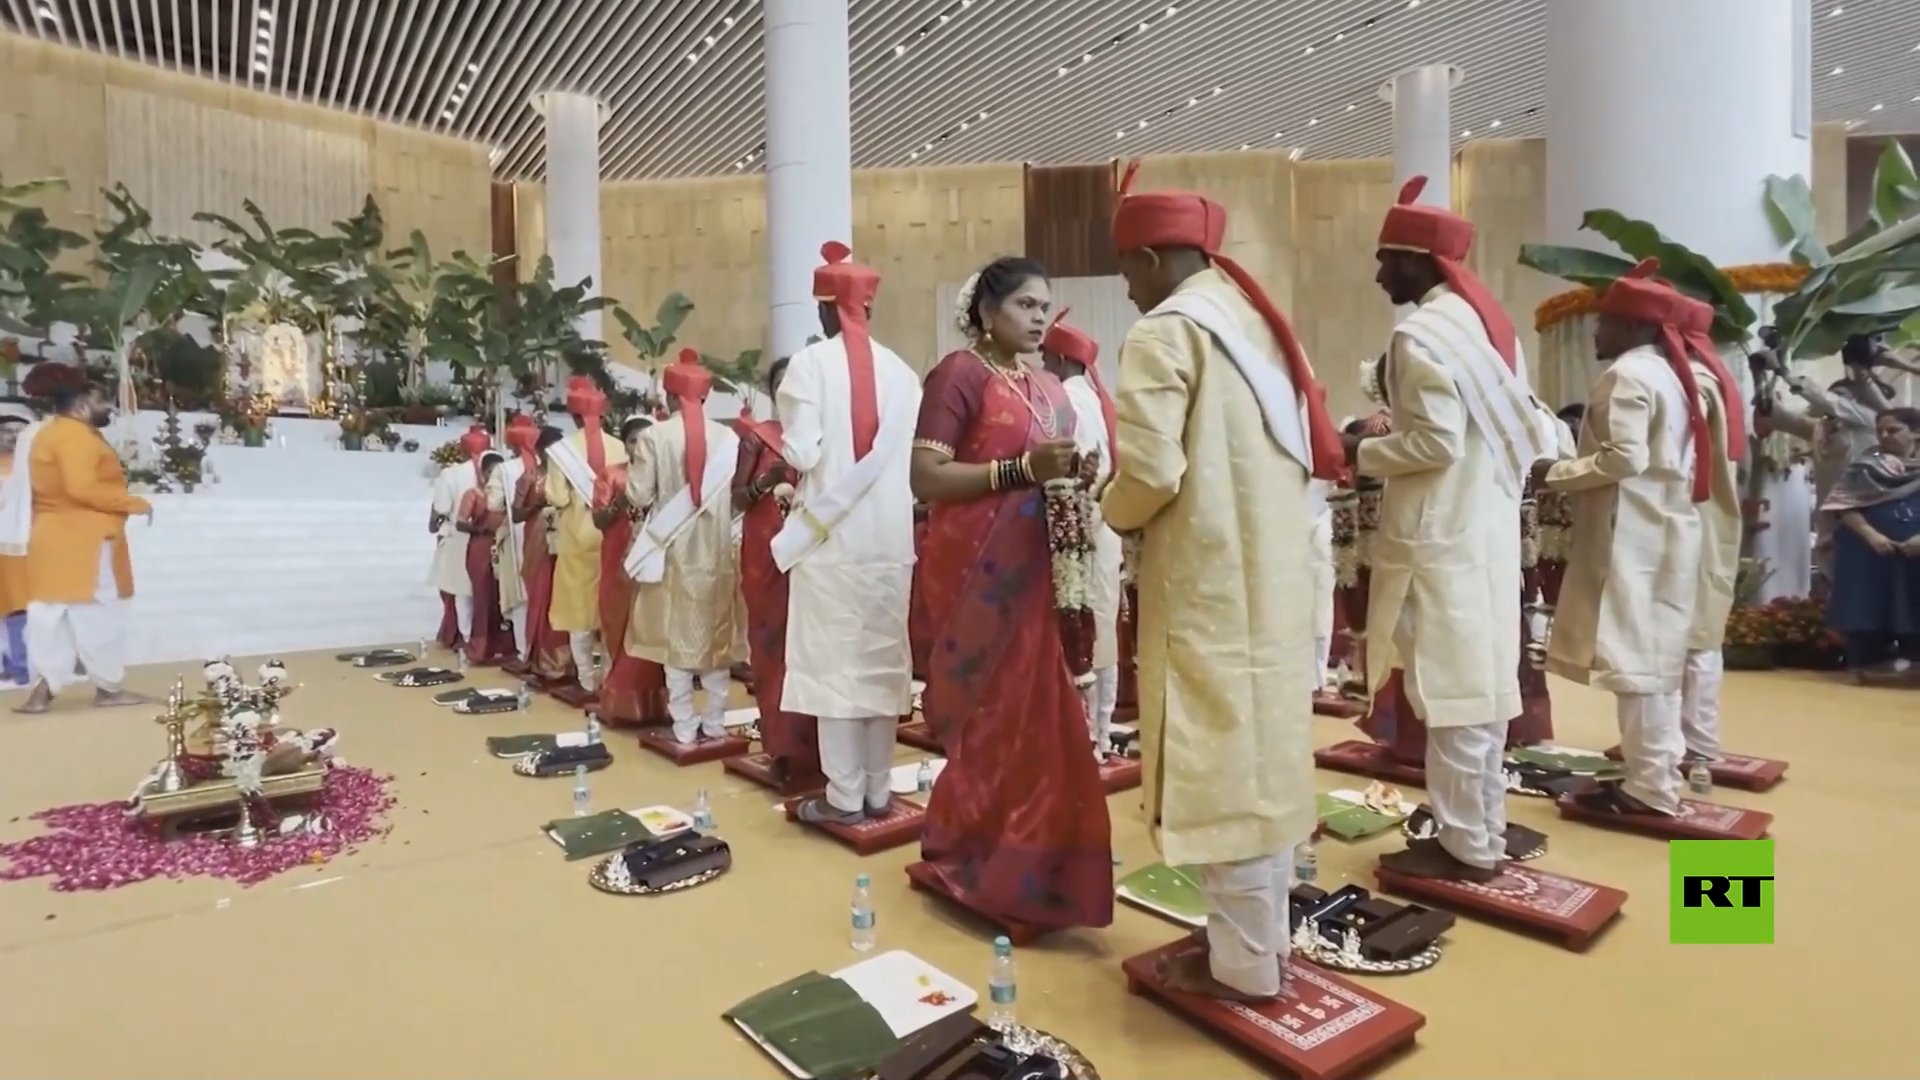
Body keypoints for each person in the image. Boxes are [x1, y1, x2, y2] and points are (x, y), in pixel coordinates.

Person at [1101, 162, 1343, 998]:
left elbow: (1151, 472)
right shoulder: (1260, 325)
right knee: (1262, 762)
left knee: (1220, 771)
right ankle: (1261, 948)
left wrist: (1109, 509)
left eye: (1126, 269)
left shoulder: (1166, 333)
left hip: (1205, 584)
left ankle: (1242, 970)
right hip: (1272, 580)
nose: (1127, 288)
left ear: (1153, 257)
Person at [1348, 174, 1550, 882]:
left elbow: (1434, 444)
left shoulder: (1420, 335)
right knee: (1482, 689)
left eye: (1385, 260)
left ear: (1417, 262)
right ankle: (1482, 829)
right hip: (1485, 532)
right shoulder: (1489, 330)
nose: (1379, 275)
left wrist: (1357, 450)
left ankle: (1466, 846)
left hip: (1439, 539)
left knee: (1453, 695)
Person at [912, 255, 1112, 930]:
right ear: (987, 311)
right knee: (990, 716)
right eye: (1026, 305)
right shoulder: (959, 374)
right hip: (974, 573)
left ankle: (1037, 862)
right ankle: (974, 853)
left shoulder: (1050, 387)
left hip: (1037, 573)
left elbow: (1050, 473)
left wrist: (1075, 475)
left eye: (1044, 307)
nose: (1038, 318)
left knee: (1042, 719)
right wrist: (1021, 469)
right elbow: (926, 476)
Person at [1538, 260, 1707, 818]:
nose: (1595, 330)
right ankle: (1659, 769)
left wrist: (1553, 472)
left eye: (1605, 320)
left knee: (1636, 665)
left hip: (1632, 533)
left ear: (1636, 326)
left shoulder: (1629, 375)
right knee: (1657, 659)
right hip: (1668, 525)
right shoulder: (1673, 374)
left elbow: (1623, 458)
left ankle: (1649, 787)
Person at [779, 242, 920, 826]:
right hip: (889, 542)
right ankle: (880, 789)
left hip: (830, 540)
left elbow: (802, 452)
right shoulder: (905, 374)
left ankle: (843, 797)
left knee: (832, 665)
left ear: (825, 310)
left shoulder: (808, 365)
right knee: (882, 663)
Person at [0, 381, 151, 713]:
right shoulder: (76, 437)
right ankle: (107, 688)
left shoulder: (45, 434)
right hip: (86, 539)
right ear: (82, 404)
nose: (108, 407)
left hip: (50, 536)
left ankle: (42, 690)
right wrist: (133, 503)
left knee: (48, 613)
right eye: (101, 400)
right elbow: (81, 487)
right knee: (99, 612)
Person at [623, 357, 742, 744]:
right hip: (718, 551)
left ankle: (685, 728)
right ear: (705, 396)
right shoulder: (729, 439)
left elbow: (638, 494)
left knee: (675, 641)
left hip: (672, 551)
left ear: (671, 395)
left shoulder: (654, 437)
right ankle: (716, 723)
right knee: (716, 639)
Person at [1039, 310, 1125, 758]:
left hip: (1078, 532)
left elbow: (1070, 473)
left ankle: (1085, 736)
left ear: (1059, 359)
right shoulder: (1097, 399)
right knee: (1103, 632)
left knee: (1079, 631)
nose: (1042, 366)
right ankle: (1102, 733)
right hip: (1104, 529)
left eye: (1045, 358)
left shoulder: (1066, 400)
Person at [734, 357, 821, 788]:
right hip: (766, 554)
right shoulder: (757, 437)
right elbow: (737, 498)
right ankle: (784, 748)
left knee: (813, 648)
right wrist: (763, 484)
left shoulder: (824, 434)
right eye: (781, 383)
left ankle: (820, 750)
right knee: (774, 649)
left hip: (815, 550)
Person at [1673, 296, 1749, 762]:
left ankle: (1696, 744)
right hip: (1706, 515)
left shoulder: (1695, 383)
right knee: (1698, 634)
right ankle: (1691, 739)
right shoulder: (1713, 376)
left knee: (1695, 637)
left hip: (1691, 517)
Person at [1821, 406, 1920, 680]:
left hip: (1915, 553)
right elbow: (1844, 505)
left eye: (1893, 430)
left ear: (1916, 433)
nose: (1884, 436)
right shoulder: (1865, 467)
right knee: (1866, 605)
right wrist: (1871, 535)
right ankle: (1865, 663)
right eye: (1880, 431)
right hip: (1868, 551)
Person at [545, 376, 629, 692]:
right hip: (612, 535)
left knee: (577, 610)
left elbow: (557, 498)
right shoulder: (619, 447)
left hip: (577, 538)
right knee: (609, 605)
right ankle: (609, 673)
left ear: (574, 416)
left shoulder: (561, 452)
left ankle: (586, 678)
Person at [588, 416, 670, 727]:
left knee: (649, 622)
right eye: (634, 441)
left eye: (646, 440)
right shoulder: (611, 475)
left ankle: (652, 702)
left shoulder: (664, 474)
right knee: (617, 617)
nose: (640, 446)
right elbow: (599, 521)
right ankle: (619, 700)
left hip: (653, 558)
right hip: (617, 556)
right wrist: (619, 502)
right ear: (625, 444)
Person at [516, 426, 578, 684]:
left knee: (564, 597)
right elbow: (516, 514)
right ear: (540, 451)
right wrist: (537, 505)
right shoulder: (530, 477)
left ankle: (565, 662)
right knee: (542, 597)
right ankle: (540, 660)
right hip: (538, 542)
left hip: (566, 540)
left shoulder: (571, 476)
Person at [428, 425, 489, 649]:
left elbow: (442, 507)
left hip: (459, 536)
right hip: (488, 537)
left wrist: (432, 522)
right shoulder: (496, 469)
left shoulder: (451, 474)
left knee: (461, 591)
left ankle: (465, 637)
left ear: (463, 449)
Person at [456, 447, 515, 665]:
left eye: (498, 471)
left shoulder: (507, 495)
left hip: (503, 546)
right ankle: (480, 649)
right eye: (490, 471)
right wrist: (480, 530)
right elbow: (460, 523)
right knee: (483, 597)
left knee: (503, 597)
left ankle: (506, 647)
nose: (493, 476)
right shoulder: (473, 494)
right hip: (480, 548)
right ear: (483, 472)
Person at [490, 414, 537, 663]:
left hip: (516, 534)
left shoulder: (504, 469)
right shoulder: (547, 464)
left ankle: (523, 651)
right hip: (545, 535)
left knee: (520, 597)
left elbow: (493, 504)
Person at [0, 405, 34, 686]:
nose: (12, 436)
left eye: (19, 432)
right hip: (5, 545)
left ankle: (23, 664)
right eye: (7, 431)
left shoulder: (35, 466)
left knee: (21, 605)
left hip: (27, 544)